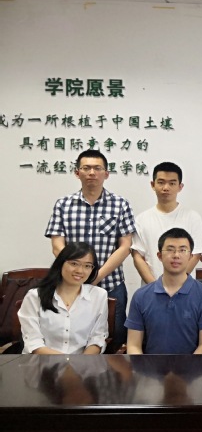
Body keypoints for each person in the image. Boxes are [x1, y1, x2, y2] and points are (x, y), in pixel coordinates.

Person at [45, 149, 135, 350]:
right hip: (70, 285)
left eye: (97, 168)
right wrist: (78, 274)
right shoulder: (63, 205)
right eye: (86, 168)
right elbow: (57, 246)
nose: (92, 173)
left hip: (111, 285)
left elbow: (125, 246)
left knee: (115, 339)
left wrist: (94, 276)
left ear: (106, 174)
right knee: (72, 338)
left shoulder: (120, 204)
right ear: (77, 173)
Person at [126, 228, 202, 354]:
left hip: (192, 365)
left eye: (182, 250)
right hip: (150, 365)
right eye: (170, 249)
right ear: (159, 256)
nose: (176, 255)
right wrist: (143, 366)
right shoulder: (140, 296)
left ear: (190, 256)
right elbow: (133, 346)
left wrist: (187, 367)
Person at [18, 242, 108, 354]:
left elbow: (97, 338)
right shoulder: (35, 296)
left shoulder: (99, 295)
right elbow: (33, 342)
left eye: (87, 266)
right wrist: (67, 361)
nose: (80, 271)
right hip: (42, 361)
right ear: (61, 263)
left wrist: (82, 362)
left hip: (82, 363)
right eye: (74, 263)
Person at [131, 161, 202, 284]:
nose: (166, 188)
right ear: (153, 185)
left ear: (180, 186)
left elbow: (196, 254)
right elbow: (137, 256)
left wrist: (176, 283)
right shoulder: (141, 219)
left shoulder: (193, 217)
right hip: (151, 288)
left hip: (184, 288)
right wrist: (155, 287)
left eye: (172, 183)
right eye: (161, 182)